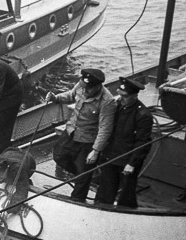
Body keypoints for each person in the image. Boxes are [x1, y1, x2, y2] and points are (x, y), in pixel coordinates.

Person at [46, 68, 116, 202]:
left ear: (97, 86)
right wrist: (56, 98)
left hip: (88, 141)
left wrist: (95, 151)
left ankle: (78, 199)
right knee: (59, 155)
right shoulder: (82, 86)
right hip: (71, 131)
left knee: (83, 175)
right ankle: (86, 174)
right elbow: (71, 95)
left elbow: (105, 128)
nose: (85, 91)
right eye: (84, 87)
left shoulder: (107, 101)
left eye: (89, 89)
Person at [94, 77, 153, 208]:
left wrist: (132, 163)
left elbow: (143, 142)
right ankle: (100, 209)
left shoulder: (143, 115)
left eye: (125, 96)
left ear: (134, 96)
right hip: (111, 155)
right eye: (120, 95)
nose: (121, 99)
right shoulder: (117, 106)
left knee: (127, 192)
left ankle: (127, 213)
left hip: (127, 160)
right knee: (105, 190)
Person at [0, 147, 36, 215]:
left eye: (1, 175)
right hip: (9, 152)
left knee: (23, 183)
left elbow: (21, 193)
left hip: (28, 161)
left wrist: (8, 211)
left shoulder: (17, 170)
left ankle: (24, 179)